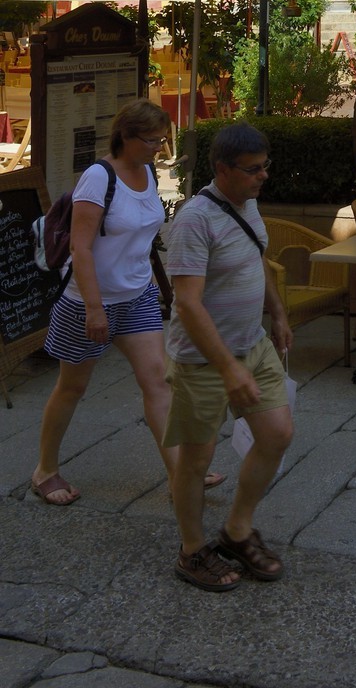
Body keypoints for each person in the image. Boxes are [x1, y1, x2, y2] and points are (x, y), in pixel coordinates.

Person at [30, 100, 224, 506]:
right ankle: (45, 469)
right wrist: (94, 308)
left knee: (158, 381)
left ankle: (180, 475)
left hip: (137, 297)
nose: (158, 147)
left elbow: (143, 237)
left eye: (161, 139)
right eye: (151, 140)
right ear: (125, 136)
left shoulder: (148, 172)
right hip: (88, 301)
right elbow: (81, 249)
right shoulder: (98, 178)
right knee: (72, 387)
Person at [164, 122, 293, 591]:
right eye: (253, 169)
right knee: (195, 461)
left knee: (277, 434)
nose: (263, 176)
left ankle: (237, 530)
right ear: (222, 169)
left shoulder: (247, 202)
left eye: (265, 166)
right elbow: (187, 303)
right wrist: (228, 368)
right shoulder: (194, 221)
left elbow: (257, 257)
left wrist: (277, 313)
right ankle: (192, 551)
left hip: (252, 344)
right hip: (204, 360)